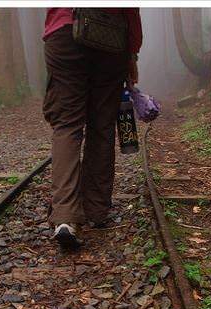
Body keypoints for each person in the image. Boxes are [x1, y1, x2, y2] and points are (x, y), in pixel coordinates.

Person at [42, 8, 142, 249]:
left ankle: (65, 216)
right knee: (102, 127)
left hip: (64, 31)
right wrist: (132, 52)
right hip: (110, 36)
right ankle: (95, 211)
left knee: (67, 125)